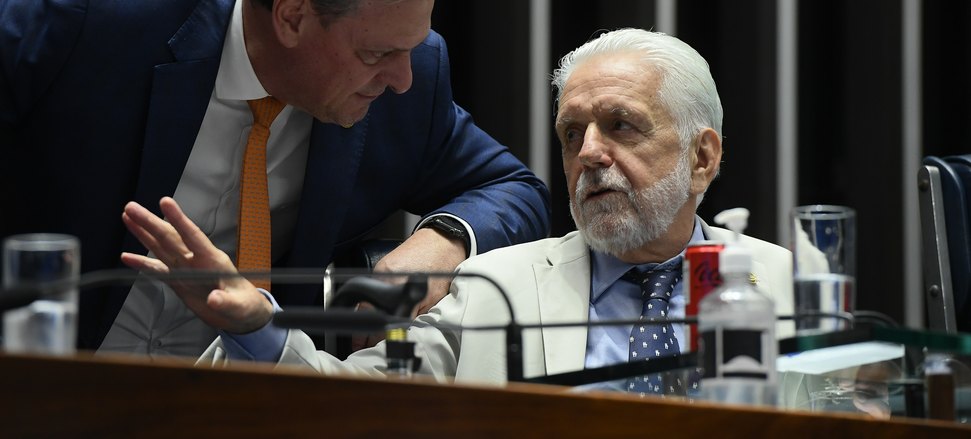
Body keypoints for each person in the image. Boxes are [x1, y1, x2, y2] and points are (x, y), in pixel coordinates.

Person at [124, 28, 795, 385]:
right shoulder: (494, 287)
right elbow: (358, 403)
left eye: (620, 126)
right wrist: (256, 326)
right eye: (571, 134)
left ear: (702, 156)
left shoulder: (791, 283)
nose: (588, 153)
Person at [0, 0, 551, 357]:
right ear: (291, 16)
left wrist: (442, 241)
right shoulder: (89, 22)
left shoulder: (411, 81)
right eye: (377, 53)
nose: (401, 78)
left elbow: (515, 190)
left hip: (251, 406)